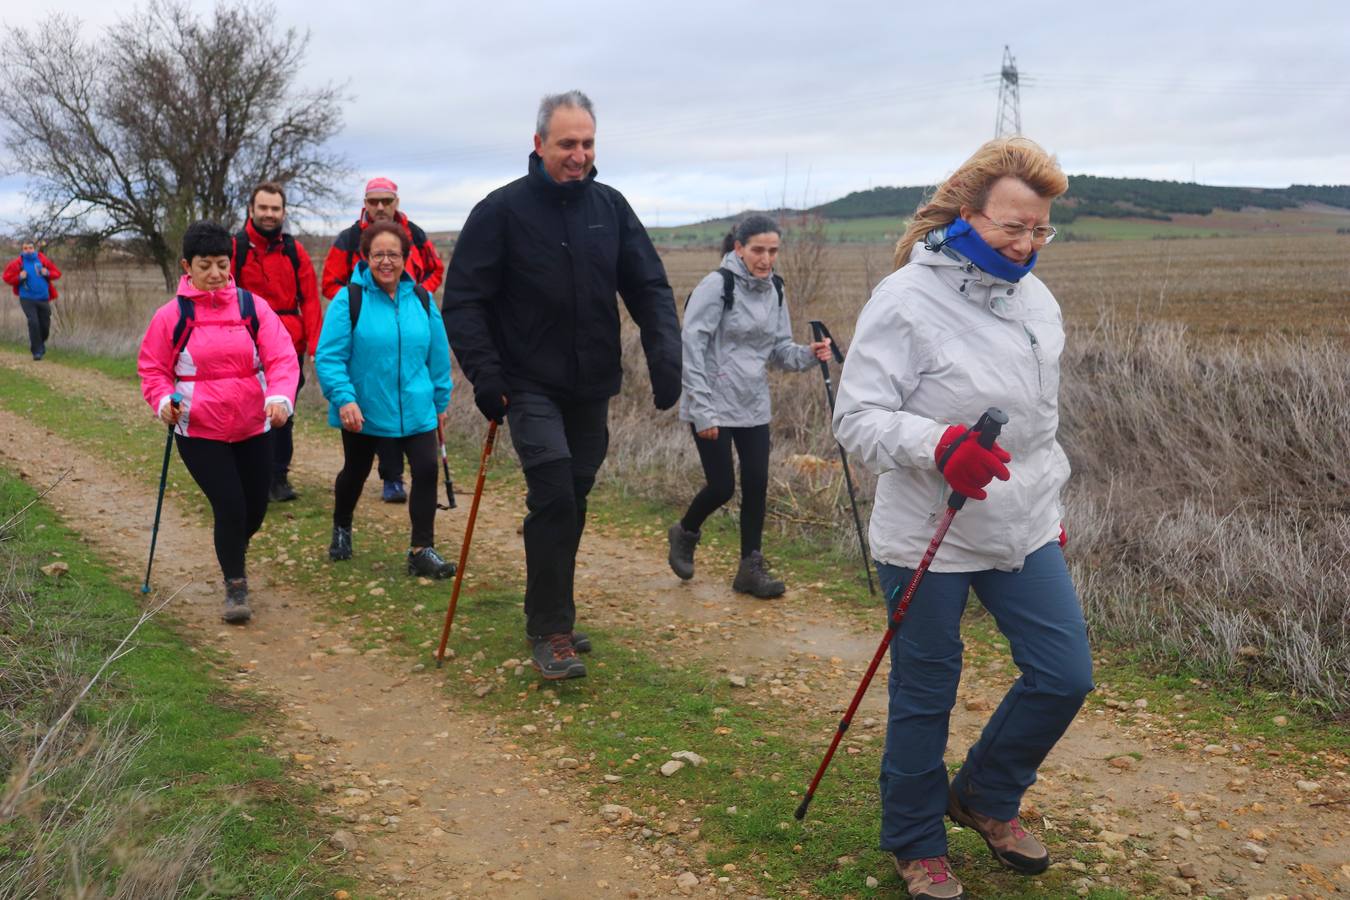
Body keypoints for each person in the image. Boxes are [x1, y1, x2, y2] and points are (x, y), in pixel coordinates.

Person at [831, 137, 1092, 900]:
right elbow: (858, 419)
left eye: (1040, 229)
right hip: (927, 531)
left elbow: (1041, 430)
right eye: (1012, 227)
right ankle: (915, 841)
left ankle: (983, 794)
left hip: (1021, 524)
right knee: (926, 691)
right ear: (967, 216)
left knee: (1064, 673)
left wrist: (1050, 509)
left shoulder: (1038, 299)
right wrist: (938, 444)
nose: (1027, 243)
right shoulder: (905, 300)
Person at [443, 90, 681, 681]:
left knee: (571, 501)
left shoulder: (611, 207)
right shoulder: (500, 212)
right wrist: (487, 375)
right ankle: (550, 629)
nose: (579, 155)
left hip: (590, 384)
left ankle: (550, 608)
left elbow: (648, 286)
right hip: (526, 383)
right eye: (567, 143)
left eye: (588, 143)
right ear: (539, 144)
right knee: (552, 494)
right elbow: (464, 301)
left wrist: (664, 355)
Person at [137, 221, 299, 624]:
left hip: (252, 424)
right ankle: (235, 584)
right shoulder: (171, 316)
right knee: (230, 506)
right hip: (199, 429)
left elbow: (281, 357)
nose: (214, 274)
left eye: (222, 264)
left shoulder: (252, 307)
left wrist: (280, 397)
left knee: (255, 510)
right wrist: (162, 402)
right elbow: (154, 369)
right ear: (186, 266)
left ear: (231, 263)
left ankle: (230, 549)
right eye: (205, 265)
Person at [667, 215, 832, 598]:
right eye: (758, 249)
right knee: (723, 486)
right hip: (710, 400)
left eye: (773, 250)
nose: (766, 258)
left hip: (753, 402)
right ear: (738, 248)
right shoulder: (716, 286)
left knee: (757, 484)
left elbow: (778, 351)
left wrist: (809, 354)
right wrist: (703, 410)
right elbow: (691, 350)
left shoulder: (775, 289)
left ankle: (749, 568)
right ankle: (685, 532)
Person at [315, 220, 456, 579]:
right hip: (365, 409)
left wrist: (440, 402)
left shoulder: (422, 300)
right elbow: (329, 356)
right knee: (356, 472)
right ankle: (342, 527)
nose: (386, 261)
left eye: (394, 254)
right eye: (378, 254)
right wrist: (344, 398)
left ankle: (421, 551)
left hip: (417, 407)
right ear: (365, 257)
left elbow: (438, 357)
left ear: (406, 257)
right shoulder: (350, 299)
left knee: (426, 469)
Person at [322, 177, 445, 504]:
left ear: (396, 203)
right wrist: (356, 310)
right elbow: (330, 282)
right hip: (362, 332)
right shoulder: (348, 239)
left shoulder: (415, 235)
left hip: (408, 318)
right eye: (373, 201)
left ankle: (395, 483)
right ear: (365, 203)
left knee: (406, 418)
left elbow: (436, 269)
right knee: (360, 455)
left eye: (385, 201)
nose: (379, 207)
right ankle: (349, 516)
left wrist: (416, 299)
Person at [231, 181, 321, 503]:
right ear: (251, 210)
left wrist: (315, 346)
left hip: (288, 346)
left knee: (283, 413)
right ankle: (247, 476)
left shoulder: (295, 252)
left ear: (283, 212)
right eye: (263, 208)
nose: (269, 214)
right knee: (246, 411)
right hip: (245, 346)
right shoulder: (235, 249)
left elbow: (310, 300)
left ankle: (278, 477)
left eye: (275, 209)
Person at [3, 241, 62, 360]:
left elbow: (57, 274)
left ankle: (40, 343)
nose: (28, 250)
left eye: (30, 248)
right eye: (25, 248)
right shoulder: (18, 263)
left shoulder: (43, 261)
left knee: (45, 326)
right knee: (33, 322)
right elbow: (6, 277)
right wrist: (19, 277)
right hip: (27, 298)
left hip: (43, 298)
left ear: (34, 249)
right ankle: (37, 352)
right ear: (22, 250)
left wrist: (48, 273)